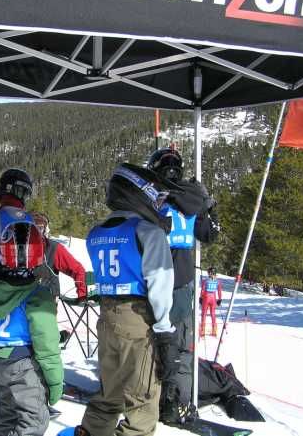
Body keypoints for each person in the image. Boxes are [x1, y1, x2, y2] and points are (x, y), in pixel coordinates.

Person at [76, 163, 180, 436]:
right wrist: (164, 328)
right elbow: (160, 284)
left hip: (107, 315)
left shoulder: (96, 233)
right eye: (155, 197)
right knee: (142, 399)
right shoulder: (148, 232)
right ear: (137, 193)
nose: (158, 204)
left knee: (109, 393)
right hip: (138, 318)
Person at [147, 146, 220, 424]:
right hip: (180, 284)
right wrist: (208, 205)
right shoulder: (191, 200)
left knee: (158, 343)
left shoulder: (151, 200)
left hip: (158, 283)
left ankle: (163, 397)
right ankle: (175, 401)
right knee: (179, 345)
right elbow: (211, 233)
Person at [0, 221, 63, 436]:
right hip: (24, 366)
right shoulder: (37, 294)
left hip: (0, 362)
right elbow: (47, 345)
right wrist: (55, 383)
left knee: (5, 414)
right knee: (34, 421)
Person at [30, 211, 87, 299]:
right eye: (32, 228)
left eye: (40, 228)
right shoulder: (15, 248)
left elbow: (78, 269)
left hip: (46, 300)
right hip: (20, 300)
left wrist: (82, 295)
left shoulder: (53, 249)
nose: (36, 232)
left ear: (45, 230)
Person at [200, 267, 222, 337]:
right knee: (213, 314)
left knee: (204, 314)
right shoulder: (218, 281)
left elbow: (203, 290)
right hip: (213, 297)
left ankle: (202, 331)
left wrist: (201, 297)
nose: (208, 274)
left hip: (206, 297)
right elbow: (219, 291)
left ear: (210, 273)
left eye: (209, 272)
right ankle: (214, 331)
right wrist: (219, 299)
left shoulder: (205, 281)